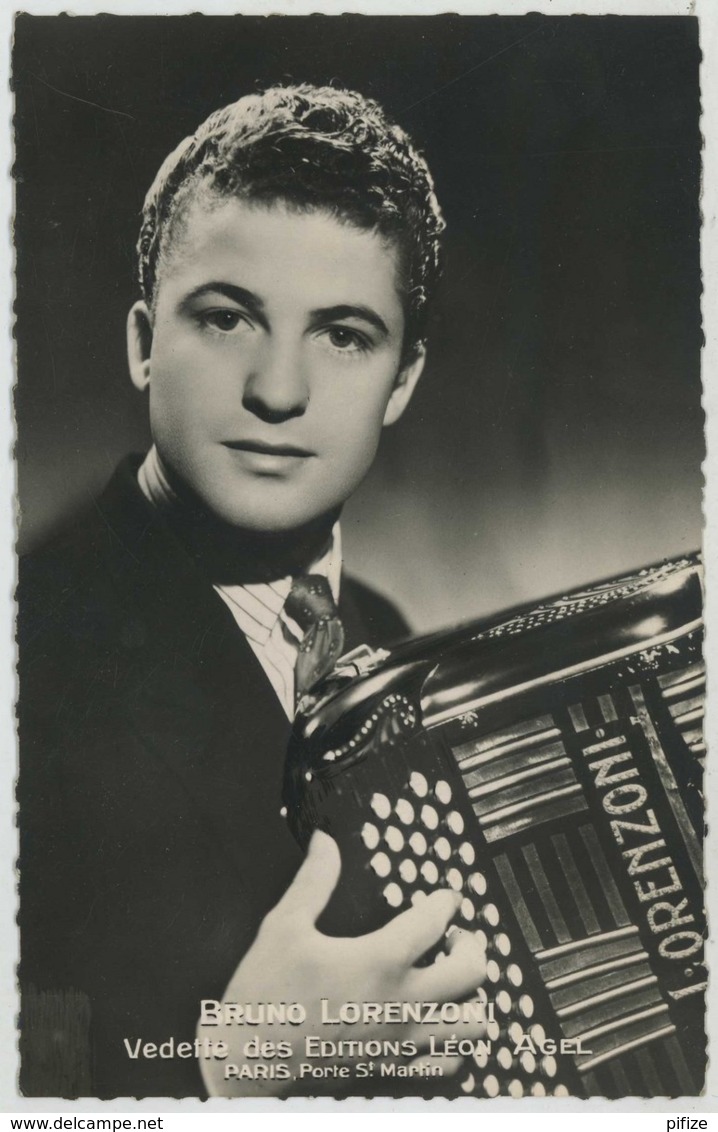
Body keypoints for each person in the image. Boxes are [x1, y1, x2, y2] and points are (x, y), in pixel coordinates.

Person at [17, 84, 485, 1099]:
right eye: (228, 319)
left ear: (401, 381)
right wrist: (242, 1065)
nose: (279, 389)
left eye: (344, 335)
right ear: (145, 342)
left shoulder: (389, 639)